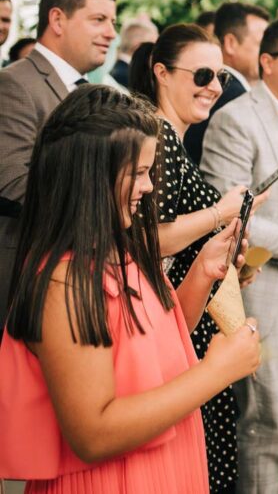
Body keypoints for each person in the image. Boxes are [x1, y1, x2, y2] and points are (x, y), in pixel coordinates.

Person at [0, 85, 261, 493]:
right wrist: (215, 373)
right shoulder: (64, 282)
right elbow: (94, 433)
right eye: (138, 173)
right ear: (91, 173)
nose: (149, 188)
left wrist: (201, 272)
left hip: (165, 470)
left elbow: (160, 344)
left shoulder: (119, 251)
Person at [130, 23, 266, 493]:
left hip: (191, 317)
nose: (214, 87)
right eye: (203, 74)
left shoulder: (174, 138)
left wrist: (225, 258)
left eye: (221, 78)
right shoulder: (159, 135)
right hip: (177, 325)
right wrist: (221, 212)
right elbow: (150, 239)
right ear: (162, 73)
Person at [201, 19, 278, 492]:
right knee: (263, 410)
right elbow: (230, 216)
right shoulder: (236, 119)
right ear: (267, 62)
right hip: (259, 281)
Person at [0, 0, 117, 320]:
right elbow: (11, 184)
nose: (111, 32)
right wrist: (107, 200)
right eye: (98, 20)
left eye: (113, 21)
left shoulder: (87, 91)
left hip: (79, 280)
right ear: (57, 20)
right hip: (27, 279)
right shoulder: (15, 84)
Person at [183, 2, 270, 164]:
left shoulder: (211, 87)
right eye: (263, 45)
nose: (269, 55)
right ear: (230, 43)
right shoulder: (231, 96)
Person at [111, 17, 158, 87]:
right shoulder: (133, 79)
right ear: (139, 47)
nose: (156, 52)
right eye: (153, 46)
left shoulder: (115, 72)